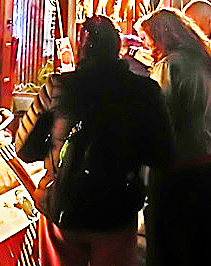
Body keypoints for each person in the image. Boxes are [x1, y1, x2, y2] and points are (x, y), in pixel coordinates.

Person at [15, 15, 175, 266]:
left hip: (63, 206)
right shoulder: (145, 91)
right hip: (117, 210)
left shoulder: (58, 86)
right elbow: (162, 154)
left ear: (81, 49)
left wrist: (55, 146)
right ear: (118, 49)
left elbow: (25, 149)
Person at [136, 8, 211, 266]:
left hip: (180, 168)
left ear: (161, 37)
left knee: (169, 246)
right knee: (207, 242)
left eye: (148, 39)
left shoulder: (170, 66)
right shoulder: (208, 60)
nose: (148, 46)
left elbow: (159, 116)